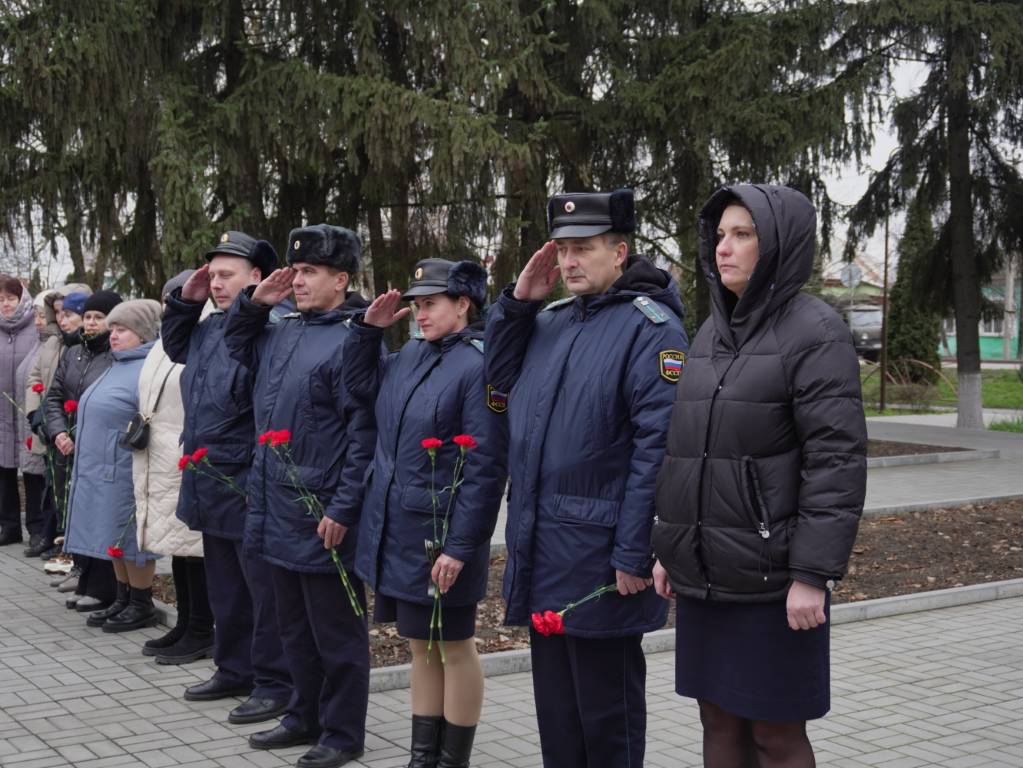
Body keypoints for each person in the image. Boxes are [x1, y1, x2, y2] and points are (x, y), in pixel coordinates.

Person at [651, 184, 868, 768]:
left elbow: (836, 461)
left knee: (776, 735)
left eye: (742, 234)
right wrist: (670, 546)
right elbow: (685, 451)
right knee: (717, 720)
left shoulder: (816, 332)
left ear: (777, 245)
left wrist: (813, 574)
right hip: (707, 575)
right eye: (720, 235)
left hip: (773, 583)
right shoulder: (709, 335)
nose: (723, 247)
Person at [485, 189, 689, 768]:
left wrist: (633, 552)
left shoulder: (652, 330)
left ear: (619, 252)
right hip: (544, 546)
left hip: (602, 556)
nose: (570, 261)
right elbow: (497, 382)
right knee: (557, 713)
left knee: (606, 717)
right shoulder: (549, 321)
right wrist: (519, 304)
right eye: (563, 249)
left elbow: (658, 450)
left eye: (584, 248)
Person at [345, 259, 509, 768]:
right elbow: (359, 389)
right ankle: (423, 757)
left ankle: (452, 759)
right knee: (420, 644)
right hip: (399, 530)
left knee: (454, 645)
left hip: (442, 536)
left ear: (463, 304)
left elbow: (485, 468)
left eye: (431, 303)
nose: (420, 314)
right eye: (416, 305)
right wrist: (367, 333)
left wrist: (460, 547)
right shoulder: (410, 355)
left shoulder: (479, 365)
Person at [224, 224, 375, 768]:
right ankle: (302, 714)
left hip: (321, 510)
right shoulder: (284, 329)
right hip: (276, 504)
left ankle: (342, 732)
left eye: (311, 272)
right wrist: (254, 304)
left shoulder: (356, 339)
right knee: (292, 625)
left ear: (342, 279)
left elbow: (364, 436)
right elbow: (236, 346)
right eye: (297, 271)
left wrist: (344, 506)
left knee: (336, 631)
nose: (300, 281)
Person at [161, 230, 292, 725]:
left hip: (246, 480)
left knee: (263, 591)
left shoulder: (271, 326)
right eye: (212, 275)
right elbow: (176, 347)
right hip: (211, 477)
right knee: (226, 588)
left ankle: (274, 682)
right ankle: (233, 668)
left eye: (226, 275)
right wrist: (185, 302)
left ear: (257, 277)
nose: (216, 283)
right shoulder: (212, 325)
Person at [64, 299, 164, 632]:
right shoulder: (117, 363)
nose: (114, 335)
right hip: (103, 468)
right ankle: (123, 597)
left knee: (132, 540)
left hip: (126, 467)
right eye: (114, 329)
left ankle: (141, 603)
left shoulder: (148, 368)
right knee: (115, 536)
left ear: (143, 333)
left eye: (122, 330)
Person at [133, 270, 214, 665]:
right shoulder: (169, 338)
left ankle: (201, 629)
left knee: (195, 548)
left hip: (187, 456)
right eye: (168, 300)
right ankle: (184, 622)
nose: (171, 305)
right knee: (178, 550)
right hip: (161, 458)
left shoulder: (205, 333)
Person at [45, 290, 123, 612]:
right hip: (70, 446)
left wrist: (81, 434)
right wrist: (58, 432)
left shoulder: (116, 355)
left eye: (98, 317)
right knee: (78, 513)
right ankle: (83, 574)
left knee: (98, 515)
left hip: (100, 447)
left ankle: (102, 585)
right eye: (88, 316)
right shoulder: (73, 353)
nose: (90, 323)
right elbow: (54, 396)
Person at [22, 285, 68, 558]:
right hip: (48, 423)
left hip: (67, 424)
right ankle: (49, 535)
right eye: (58, 312)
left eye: (66, 312)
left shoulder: (75, 345)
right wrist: (34, 413)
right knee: (50, 484)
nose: (61, 318)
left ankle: (63, 540)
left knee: (64, 485)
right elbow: (35, 377)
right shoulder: (51, 342)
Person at [0, 276, 39, 546]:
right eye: (0, 300)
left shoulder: (35, 327)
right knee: (3, 470)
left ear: (22, 298)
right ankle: (9, 526)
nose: (5, 304)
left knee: (33, 470)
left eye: (10, 299)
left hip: (27, 410)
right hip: (2, 412)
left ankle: (37, 528)